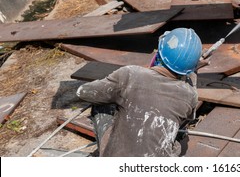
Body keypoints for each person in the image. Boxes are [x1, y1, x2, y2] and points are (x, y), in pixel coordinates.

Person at [76, 28, 202, 157]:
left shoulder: (130, 75)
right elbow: (188, 117)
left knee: (103, 101)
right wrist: (192, 74)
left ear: (160, 52)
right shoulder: (189, 95)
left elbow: (83, 92)